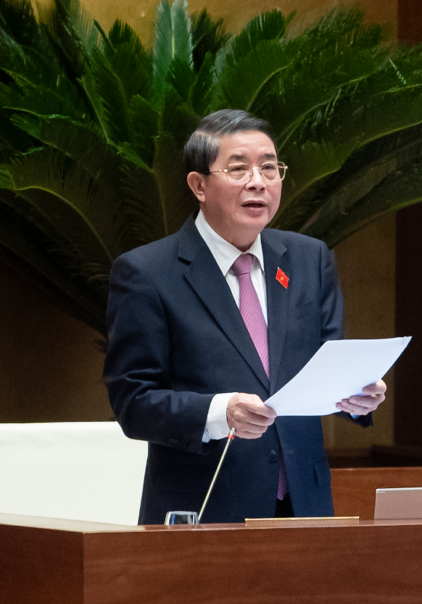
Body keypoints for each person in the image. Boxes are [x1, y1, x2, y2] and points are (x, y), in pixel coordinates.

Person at [104, 109, 386, 523]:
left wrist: (358, 397)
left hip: (304, 508)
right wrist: (221, 412)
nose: (258, 181)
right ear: (199, 185)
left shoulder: (310, 258)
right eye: (239, 169)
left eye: (269, 168)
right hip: (205, 509)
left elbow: (328, 364)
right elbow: (133, 402)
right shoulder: (147, 272)